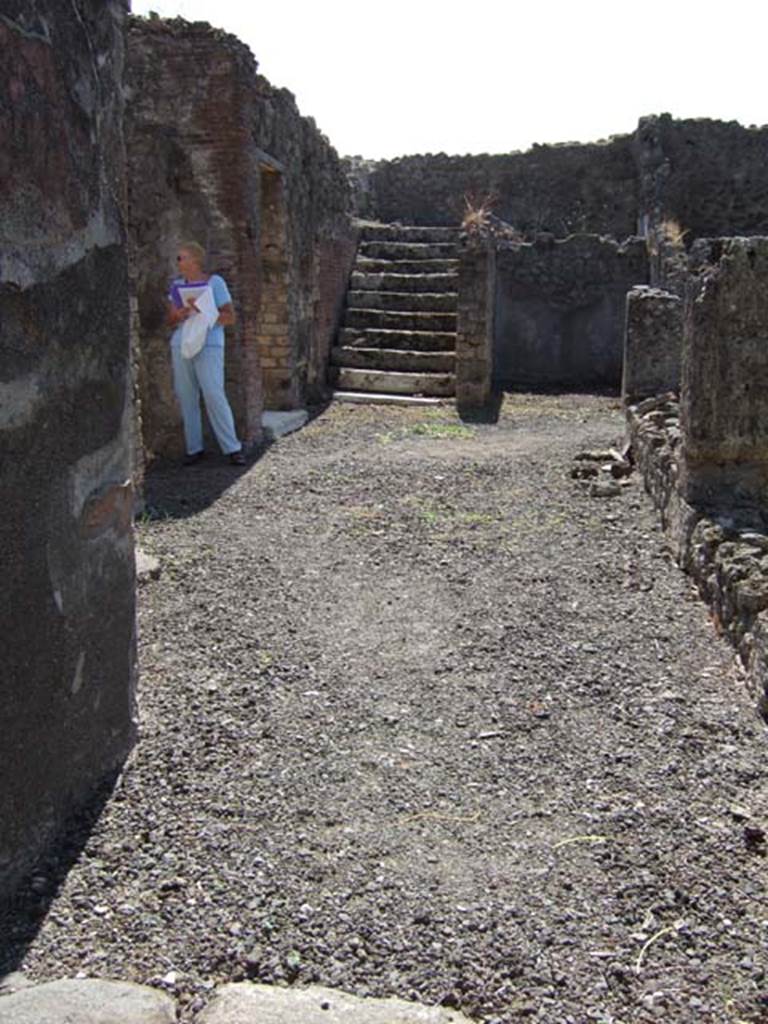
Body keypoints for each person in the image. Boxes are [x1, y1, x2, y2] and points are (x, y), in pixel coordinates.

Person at [166, 241, 245, 466]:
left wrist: (205, 309)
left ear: (195, 260)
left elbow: (230, 317)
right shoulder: (177, 286)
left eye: (181, 258)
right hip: (182, 343)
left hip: (209, 343)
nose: (178, 262)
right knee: (186, 395)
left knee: (213, 393)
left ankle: (232, 448)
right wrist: (180, 313)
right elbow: (170, 320)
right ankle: (194, 448)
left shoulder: (215, 283)